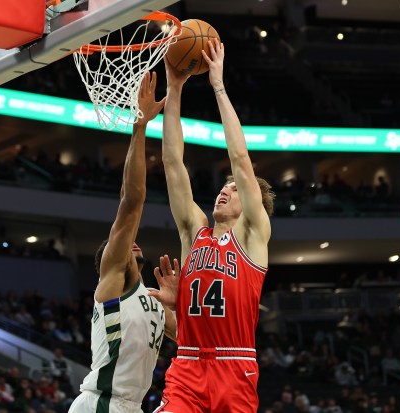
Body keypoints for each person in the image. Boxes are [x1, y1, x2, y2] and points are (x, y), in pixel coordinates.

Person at [150, 39, 274, 413]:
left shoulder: (252, 234)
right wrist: (174, 90)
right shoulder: (195, 230)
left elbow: (239, 158)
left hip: (233, 366)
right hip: (187, 364)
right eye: (223, 186)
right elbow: (173, 164)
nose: (225, 190)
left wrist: (218, 85)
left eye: (234, 189)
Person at [68, 72, 176, 412]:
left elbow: (193, 339)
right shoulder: (114, 280)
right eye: (122, 242)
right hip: (102, 404)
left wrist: (177, 303)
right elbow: (131, 201)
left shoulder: (154, 300)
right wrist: (140, 125)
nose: (132, 241)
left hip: (130, 406)